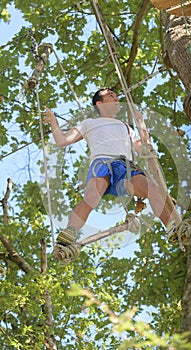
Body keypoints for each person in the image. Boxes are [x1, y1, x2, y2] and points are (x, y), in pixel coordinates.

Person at [43, 88, 181, 260]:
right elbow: (63, 140)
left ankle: (172, 227)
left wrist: (141, 125)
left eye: (116, 96)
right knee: (92, 195)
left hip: (125, 166)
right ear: (99, 104)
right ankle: (69, 233)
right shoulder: (89, 123)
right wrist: (53, 122)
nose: (116, 99)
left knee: (151, 189)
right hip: (102, 163)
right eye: (111, 96)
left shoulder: (126, 127)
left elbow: (143, 147)